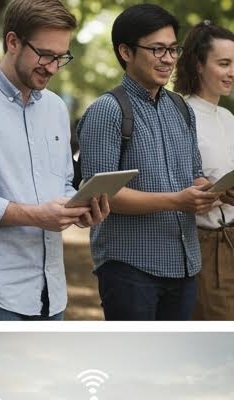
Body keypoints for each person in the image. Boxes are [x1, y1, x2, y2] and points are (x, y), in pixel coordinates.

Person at [0, 0, 107, 320]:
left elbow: (63, 183)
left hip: (52, 293)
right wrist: (37, 216)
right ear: (13, 42)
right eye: (45, 55)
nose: (53, 67)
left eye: (61, 57)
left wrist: (79, 207)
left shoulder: (55, 109)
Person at [77, 4, 220, 320]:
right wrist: (177, 201)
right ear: (126, 52)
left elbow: (193, 175)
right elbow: (101, 195)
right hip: (130, 269)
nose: (168, 59)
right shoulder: (107, 111)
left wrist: (212, 192)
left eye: (172, 49)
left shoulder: (181, 108)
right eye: (157, 49)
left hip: (185, 265)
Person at [175, 22, 234, 319]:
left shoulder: (227, 117)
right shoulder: (180, 114)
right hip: (204, 244)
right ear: (199, 65)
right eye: (224, 63)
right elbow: (178, 181)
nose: (232, 72)